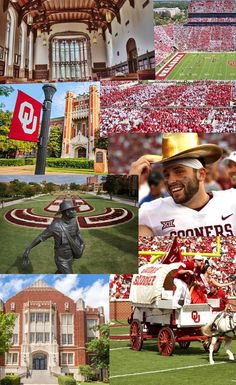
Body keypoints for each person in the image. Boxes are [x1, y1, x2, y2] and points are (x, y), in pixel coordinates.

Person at [130, 133, 236, 237]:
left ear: (201, 174)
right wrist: (132, 182)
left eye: (179, 172)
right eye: (166, 174)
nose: (171, 181)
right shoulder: (151, 212)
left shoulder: (231, 200)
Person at [22, 200, 85, 273]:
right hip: (62, 259)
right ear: (67, 213)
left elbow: (78, 233)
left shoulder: (74, 221)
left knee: (61, 272)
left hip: (71, 256)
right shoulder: (55, 226)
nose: (75, 211)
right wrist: (28, 248)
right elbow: (41, 237)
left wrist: (82, 244)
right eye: (73, 210)